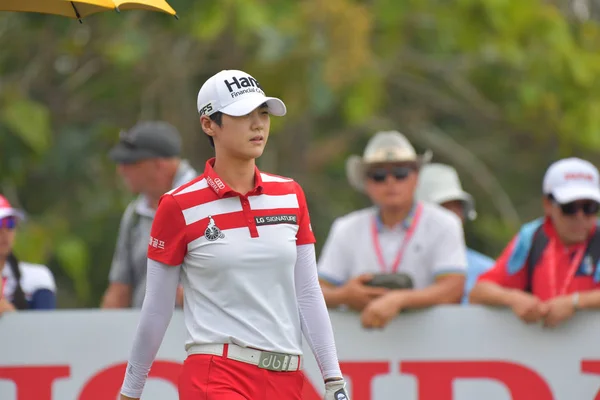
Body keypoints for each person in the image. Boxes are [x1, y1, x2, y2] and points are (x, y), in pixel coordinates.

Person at [119, 70, 349, 400]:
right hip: (217, 374)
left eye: (263, 113)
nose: (258, 125)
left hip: (287, 377)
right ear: (209, 124)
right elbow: (157, 308)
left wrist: (333, 379)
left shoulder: (290, 194)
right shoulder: (177, 205)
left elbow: (308, 292)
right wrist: (131, 392)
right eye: (243, 115)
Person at [317, 131, 468, 329]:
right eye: (379, 175)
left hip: (429, 348)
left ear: (416, 178)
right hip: (362, 349)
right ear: (366, 183)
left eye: (401, 173)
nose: (390, 182)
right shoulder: (346, 228)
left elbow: (453, 288)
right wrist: (344, 295)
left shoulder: (445, 223)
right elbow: (316, 290)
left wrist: (400, 300)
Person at [470, 157, 600, 328]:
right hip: (541, 350)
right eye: (569, 208)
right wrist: (513, 298)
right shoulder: (531, 238)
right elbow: (479, 291)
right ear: (547, 205)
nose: (580, 217)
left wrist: (576, 302)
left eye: (590, 207)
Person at [101, 121, 197, 309]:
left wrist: (198, 296)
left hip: (196, 336)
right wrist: (100, 336)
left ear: (158, 165)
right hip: (148, 335)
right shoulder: (135, 215)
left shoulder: (211, 202)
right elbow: (119, 289)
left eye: (130, 163)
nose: (121, 170)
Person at [414, 163, 495, 304]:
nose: (452, 218)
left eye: (457, 208)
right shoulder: (398, 263)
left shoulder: (487, 271)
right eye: (443, 209)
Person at [0, 195, 56, 314]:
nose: (4, 232)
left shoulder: (37, 278)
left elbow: (45, 329)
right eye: (0, 224)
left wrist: (11, 316)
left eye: (10, 223)